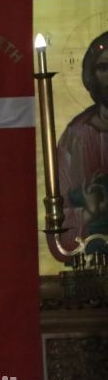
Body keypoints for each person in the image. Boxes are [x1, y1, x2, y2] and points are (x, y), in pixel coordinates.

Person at [56, 31, 108, 254]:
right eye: (104, 68)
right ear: (92, 75)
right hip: (90, 258)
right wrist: (89, 212)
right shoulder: (76, 135)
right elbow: (59, 225)